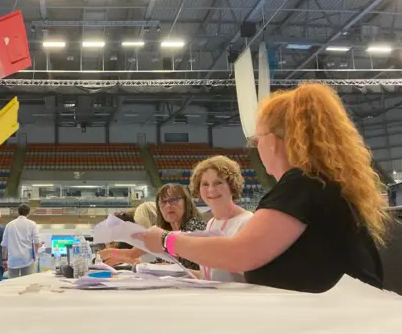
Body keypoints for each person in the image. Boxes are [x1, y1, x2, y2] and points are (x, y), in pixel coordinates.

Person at [135, 83, 387, 293]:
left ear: (274, 143)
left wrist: (166, 241)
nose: (256, 147)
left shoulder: (302, 184)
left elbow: (240, 254)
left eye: (257, 139)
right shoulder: (317, 184)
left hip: (334, 323)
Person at [100, 186, 205, 267]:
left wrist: (119, 256)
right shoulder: (164, 230)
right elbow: (136, 255)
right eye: (163, 202)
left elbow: (181, 267)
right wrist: (120, 257)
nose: (168, 205)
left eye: (174, 200)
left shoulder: (195, 225)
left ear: (186, 203)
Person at [190, 155, 253, 282]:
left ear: (232, 185)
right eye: (205, 184)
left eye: (218, 182)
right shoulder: (211, 223)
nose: (211, 189)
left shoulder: (248, 222)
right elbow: (211, 275)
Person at [2, 204, 41, 279]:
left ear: (18, 212)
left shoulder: (9, 225)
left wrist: (4, 259)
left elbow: (4, 245)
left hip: (13, 259)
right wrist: (35, 254)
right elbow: (36, 242)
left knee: (12, 284)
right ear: (28, 213)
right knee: (26, 283)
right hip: (27, 259)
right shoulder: (32, 224)